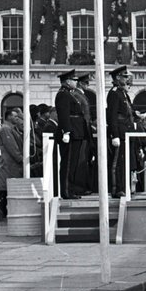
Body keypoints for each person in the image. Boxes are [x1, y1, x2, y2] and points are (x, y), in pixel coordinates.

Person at [54, 69, 88, 199]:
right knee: (68, 163)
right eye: (74, 80)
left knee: (73, 163)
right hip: (71, 132)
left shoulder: (69, 94)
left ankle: (71, 189)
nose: (76, 82)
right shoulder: (63, 94)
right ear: (67, 81)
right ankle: (66, 191)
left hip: (76, 131)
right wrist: (66, 131)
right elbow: (63, 114)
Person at [106, 65, 136, 197]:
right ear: (118, 78)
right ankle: (117, 189)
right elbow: (112, 115)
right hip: (119, 131)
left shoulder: (123, 93)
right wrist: (114, 135)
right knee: (117, 163)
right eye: (124, 76)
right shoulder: (114, 93)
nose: (127, 79)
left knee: (125, 162)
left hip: (126, 130)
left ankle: (124, 186)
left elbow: (128, 112)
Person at [0, 105, 24, 215]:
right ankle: (5, 212)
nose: (17, 118)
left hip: (13, 164)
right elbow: (12, 147)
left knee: (9, 188)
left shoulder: (11, 129)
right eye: (15, 116)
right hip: (10, 164)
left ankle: (6, 211)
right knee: (7, 189)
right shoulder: (5, 129)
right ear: (9, 117)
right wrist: (20, 159)